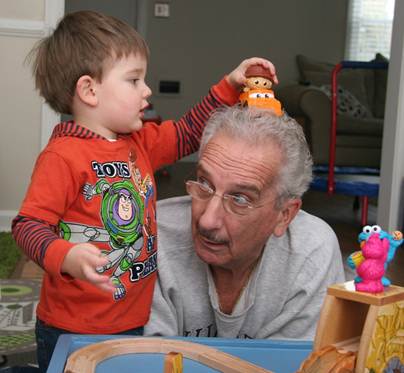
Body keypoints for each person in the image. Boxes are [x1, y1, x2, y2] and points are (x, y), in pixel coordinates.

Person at [11, 10, 277, 372]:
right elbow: (27, 226)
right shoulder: (62, 157)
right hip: (71, 326)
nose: (146, 90)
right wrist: (66, 256)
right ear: (89, 90)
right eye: (134, 80)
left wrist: (230, 86)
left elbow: (187, 133)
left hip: (134, 319)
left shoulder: (139, 143)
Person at [144, 106, 345, 339]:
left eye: (240, 199)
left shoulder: (311, 250)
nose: (208, 221)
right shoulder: (152, 235)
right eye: (204, 184)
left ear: (285, 215)